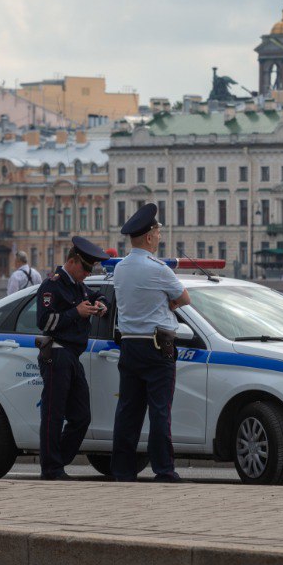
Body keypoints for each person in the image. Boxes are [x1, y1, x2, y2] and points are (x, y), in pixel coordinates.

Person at [111, 203, 190, 483]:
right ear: (148, 237)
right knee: (159, 411)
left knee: (128, 412)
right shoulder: (158, 269)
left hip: (129, 345)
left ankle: (122, 470)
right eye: (157, 231)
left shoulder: (119, 269)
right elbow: (184, 298)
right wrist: (166, 303)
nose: (159, 236)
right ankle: (164, 470)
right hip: (158, 348)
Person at [35, 236, 109, 480]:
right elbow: (45, 321)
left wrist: (101, 303)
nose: (88, 274)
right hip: (56, 353)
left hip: (72, 356)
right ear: (73, 261)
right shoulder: (52, 286)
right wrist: (75, 313)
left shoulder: (79, 286)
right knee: (53, 413)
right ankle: (51, 468)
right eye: (86, 268)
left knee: (81, 416)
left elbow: (98, 294)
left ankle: (59, 460)